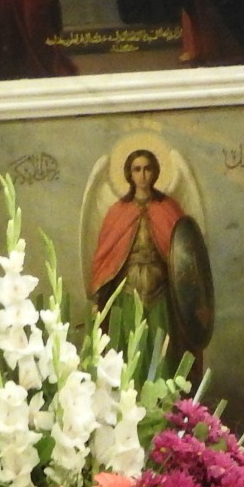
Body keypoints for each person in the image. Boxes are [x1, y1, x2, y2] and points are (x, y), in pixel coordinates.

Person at [88, 147, 208, 367]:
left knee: (163, 351)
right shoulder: (117, 212)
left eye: (147, 169)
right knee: (129, 351)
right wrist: (99, 296)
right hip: (127, 292)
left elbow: (185, 255)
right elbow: (105, 256)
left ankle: (163, 400)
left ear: (155, 172)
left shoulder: (169, 208)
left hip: (161, 293)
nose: (142, 175)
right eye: (137, 170)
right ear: (129, 174)